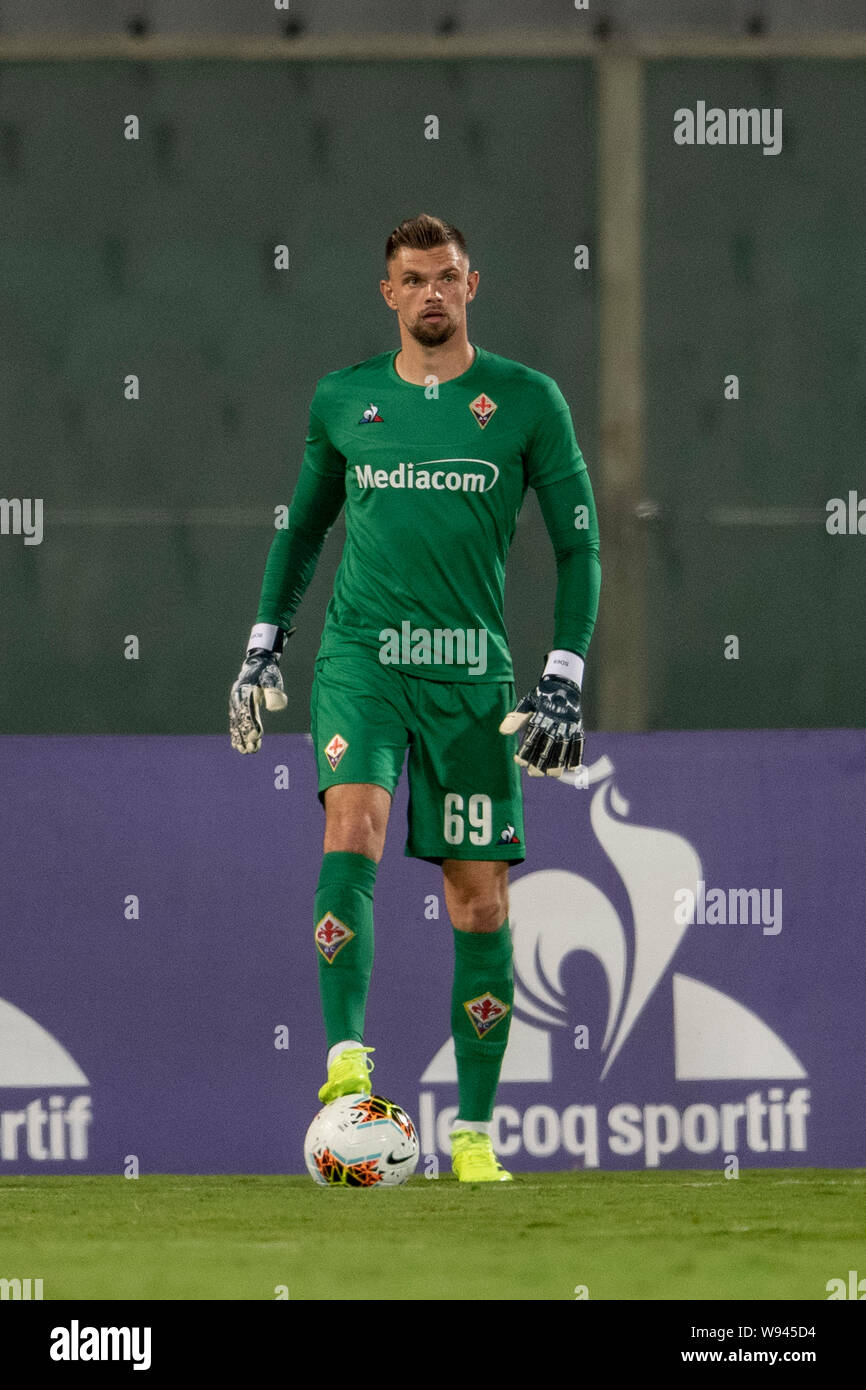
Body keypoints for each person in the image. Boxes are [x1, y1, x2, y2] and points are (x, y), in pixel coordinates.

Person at [230, 214, 601, 1182]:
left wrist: (562, 670)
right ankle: (346, 1057)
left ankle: (472, 1136)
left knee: (476, 899)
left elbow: (578, 546)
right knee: (349, 825)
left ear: (470, 285)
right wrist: (264, 644)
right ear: (386, 293)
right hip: (362, 660)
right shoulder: (343, 399)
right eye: (411, 278)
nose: (430, 291)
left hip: (469, 674)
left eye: (445, 276)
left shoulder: (525, 401)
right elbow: (301, 530)